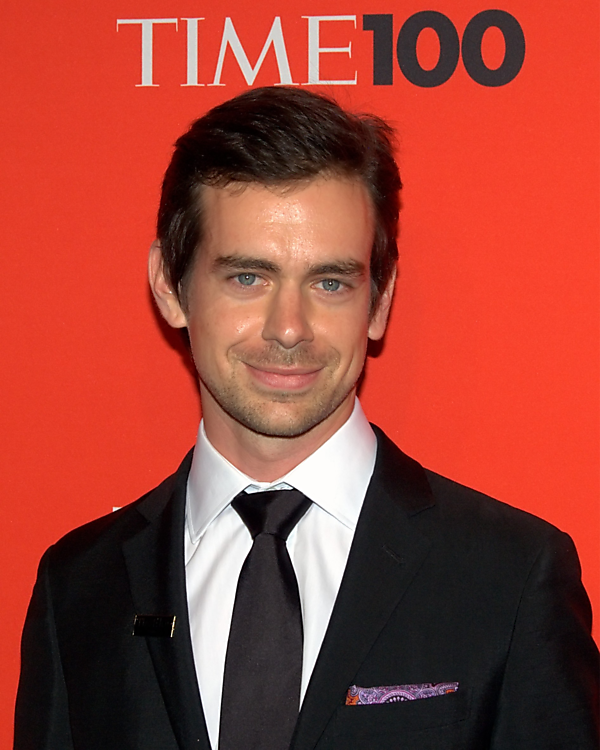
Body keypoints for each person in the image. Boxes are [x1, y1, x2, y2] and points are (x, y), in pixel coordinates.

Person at [14, 86, 600, 750]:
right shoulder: (79, 587)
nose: (289, 327)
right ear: (170, 285)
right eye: (248, 278)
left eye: (330, 283)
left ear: (380, 302)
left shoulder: (510, 576)